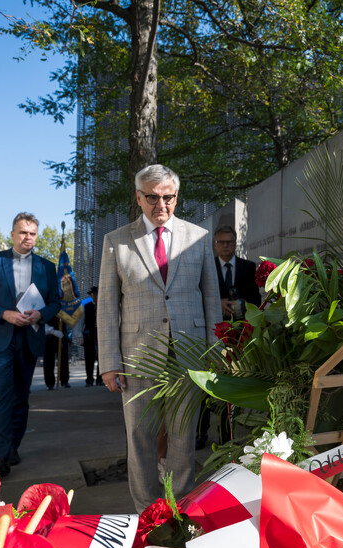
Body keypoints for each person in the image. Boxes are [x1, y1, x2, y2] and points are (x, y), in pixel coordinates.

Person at [97, 164, 221, 512]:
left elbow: (211, 299)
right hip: (138, 356)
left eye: (167, 197)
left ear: (176, 197)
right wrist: (109, 363)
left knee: (184, 438)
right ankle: (146, 514)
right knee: (140, 438)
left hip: (189, 354)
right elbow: (106, 307)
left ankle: (179, 512)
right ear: (138, 197)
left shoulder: (198, 237)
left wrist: (216, 352)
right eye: (152, 197)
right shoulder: (116, 241)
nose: (160, 204)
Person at [0, 212, 61, 476]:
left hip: (29, 338)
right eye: (22, 232)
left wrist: (41, 314)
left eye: (32, 233)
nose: (27, 237)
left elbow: (56, 302)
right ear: (12, 234)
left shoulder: (47, 267)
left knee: (21, 397)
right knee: (1, 395)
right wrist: (5, 313)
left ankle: (12, 447)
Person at [196, 225, 262, 449]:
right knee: (206, 386)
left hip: (237, 337)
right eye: (221, 242)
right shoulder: (207, 267)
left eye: (229, 242)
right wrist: (218, 304)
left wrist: (240, 306)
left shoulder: (248, 267)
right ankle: (200, 433)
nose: (225, 246)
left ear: (235, 244)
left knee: (231, 387)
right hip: (211, 336)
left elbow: (256, 299)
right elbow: (199, 296)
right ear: (215, 245)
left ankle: (227, 435)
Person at [82, 286, 102, 386]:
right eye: (93, 294)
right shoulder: (87, 306)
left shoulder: (103, 306)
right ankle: (89, 380)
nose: (95, 296)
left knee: (101, 359)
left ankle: (100, 379)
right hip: (89, 336)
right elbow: (81, 321)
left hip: (101, 336)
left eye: (97, 294)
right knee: (89, 359)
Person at [42, 316, 69, 389]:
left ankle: (64, 381)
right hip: (49, 336)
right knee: (48, 361)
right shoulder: (46, 305)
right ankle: (50, 383)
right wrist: (52, 331)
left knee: (64, 359)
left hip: (62, 335)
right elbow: (41, 322)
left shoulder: (63, 307)